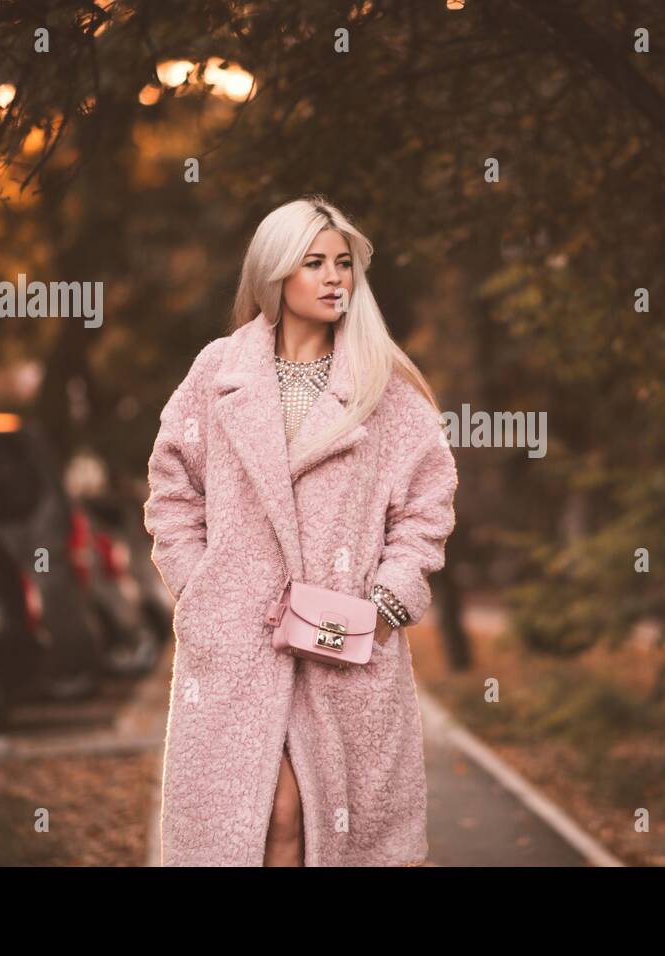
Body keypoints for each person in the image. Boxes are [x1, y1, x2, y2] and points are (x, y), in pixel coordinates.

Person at [144, 194, 458, 866]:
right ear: (275, 274)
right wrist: (202, 586)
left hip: (341, 646)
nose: (333, 276)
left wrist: (383, 604)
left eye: (343, 262)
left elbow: (426, 509)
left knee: (318, 823)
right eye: (313, 262)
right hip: (236, 648)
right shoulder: (218, 372)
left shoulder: (384, 384)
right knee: (263, 815)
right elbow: (173, 490)